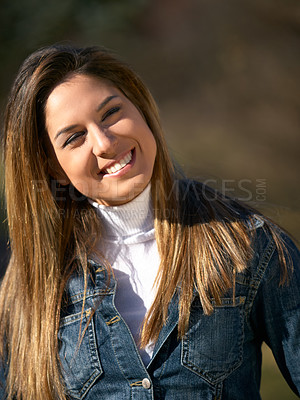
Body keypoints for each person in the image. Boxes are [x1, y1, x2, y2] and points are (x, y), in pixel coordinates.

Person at [0, 44, 299, 400]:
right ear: (52, 167)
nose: (104, 142)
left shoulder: (247, 244)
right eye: (75, 137)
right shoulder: (34, 281)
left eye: (111, 113)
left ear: (141, 109)